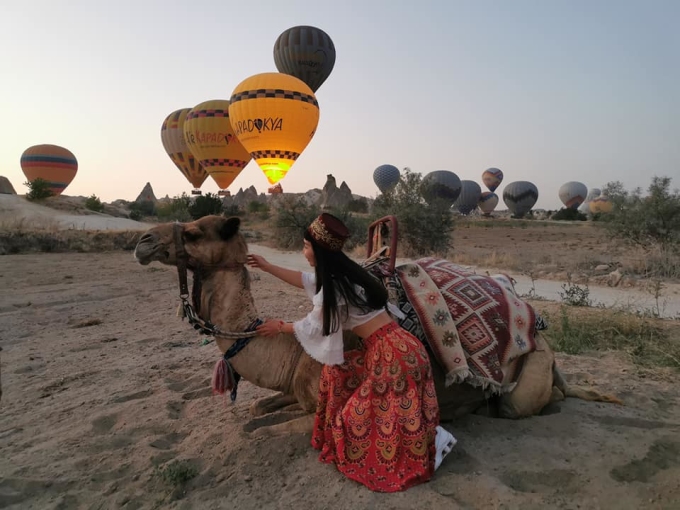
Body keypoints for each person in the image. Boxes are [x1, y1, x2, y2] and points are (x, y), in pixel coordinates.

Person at [247, 212, 456, 492]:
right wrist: (268, 266)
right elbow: (306, 280)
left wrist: (280, 326)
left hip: (392, 356)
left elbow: (314, 326)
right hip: (402, 347)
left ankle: (431, 444)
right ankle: (427, 437)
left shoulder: (335, 286)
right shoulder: (347, 274)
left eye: (306, 246)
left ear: (319, 251)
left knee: (350, 422)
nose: (303, 251)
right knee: (336, 373)